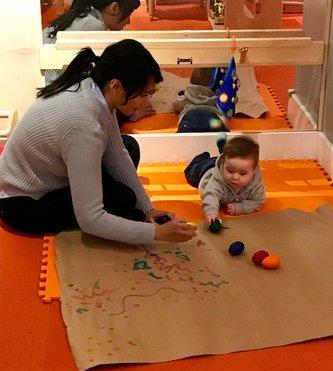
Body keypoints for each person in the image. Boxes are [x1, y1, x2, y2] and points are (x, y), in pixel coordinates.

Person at [0, 39, 197, 244]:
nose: (146, 102)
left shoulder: (96, 89)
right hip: (23, 203)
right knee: (122, 201)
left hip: (50, 172)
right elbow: (91, 219)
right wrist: (156, 233)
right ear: (116, 86)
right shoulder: (83, 125)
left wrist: (148, 209)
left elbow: (117, 154)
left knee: (130, 148)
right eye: (143, 94)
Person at [43, 0, 155, 122]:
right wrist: (132, 113)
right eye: (129, 14)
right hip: (62, 104)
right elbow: (104, 81)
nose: (128, 21)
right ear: (114, 7)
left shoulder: (79, 15)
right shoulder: (94, 26)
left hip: (51, 95)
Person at [184, 135, 266, 225]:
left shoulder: (256, 184)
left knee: (227, 160)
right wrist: (211, 213)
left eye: (242, 173)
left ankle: (222, 148)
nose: (235, 177)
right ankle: (200, 158)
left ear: (253, 171)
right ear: (223, 165)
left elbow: (258, 201)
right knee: (189, 173)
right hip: (204, 171)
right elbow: (210, 197)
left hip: (224, 162)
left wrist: (240, 207)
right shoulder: (217, 182)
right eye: (230, 171)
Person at [172, 68, 230, 133]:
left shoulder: (187, 95)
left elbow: (175, 105)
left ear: (192, 80)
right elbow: (227, 110)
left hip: (190, 119)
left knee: (183, 138)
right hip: (214, 120)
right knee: (222, 137)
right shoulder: (218, 96)